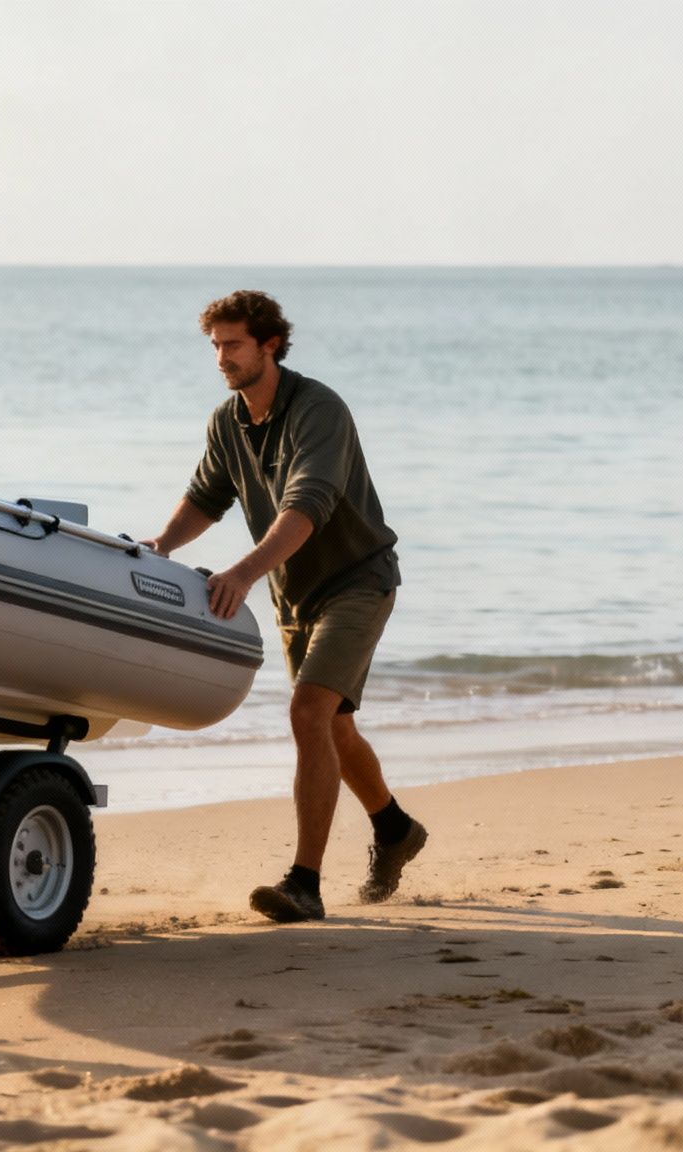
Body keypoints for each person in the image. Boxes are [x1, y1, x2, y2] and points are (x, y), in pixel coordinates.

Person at [140, 290, 426, 922]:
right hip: (294, 593)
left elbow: (307, 506)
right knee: (335, 725)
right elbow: (205, 498)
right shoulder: (228, 421)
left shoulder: (318, 410)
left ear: (270, 344)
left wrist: (241, 574)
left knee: (308, 713)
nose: (221, 357)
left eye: (233, 344)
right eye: (215, 345)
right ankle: (396, 828)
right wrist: (159, 544)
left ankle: (305, 883)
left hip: (356, 580)